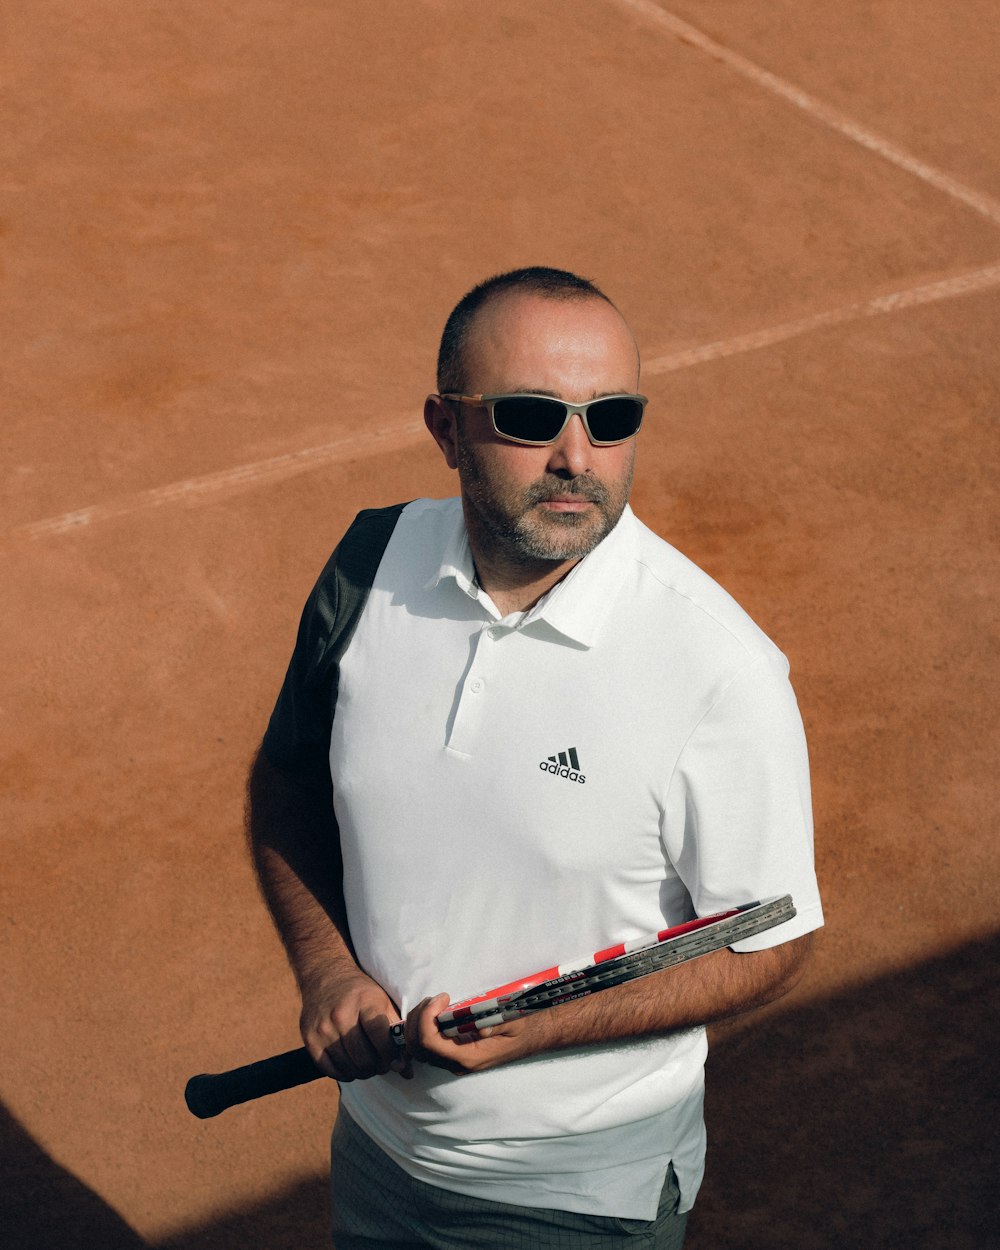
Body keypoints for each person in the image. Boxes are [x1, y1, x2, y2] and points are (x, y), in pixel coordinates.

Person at [248, 267, 824, 1249]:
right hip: (378, 1160)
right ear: (445, 426)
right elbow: (290, 778)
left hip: (580, 1196)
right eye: (528, 415)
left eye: (610, 416)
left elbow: (771, 935)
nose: (575, 455)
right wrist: (328, 970)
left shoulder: (715, 669)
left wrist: (541, 1028)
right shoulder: (369, 565)